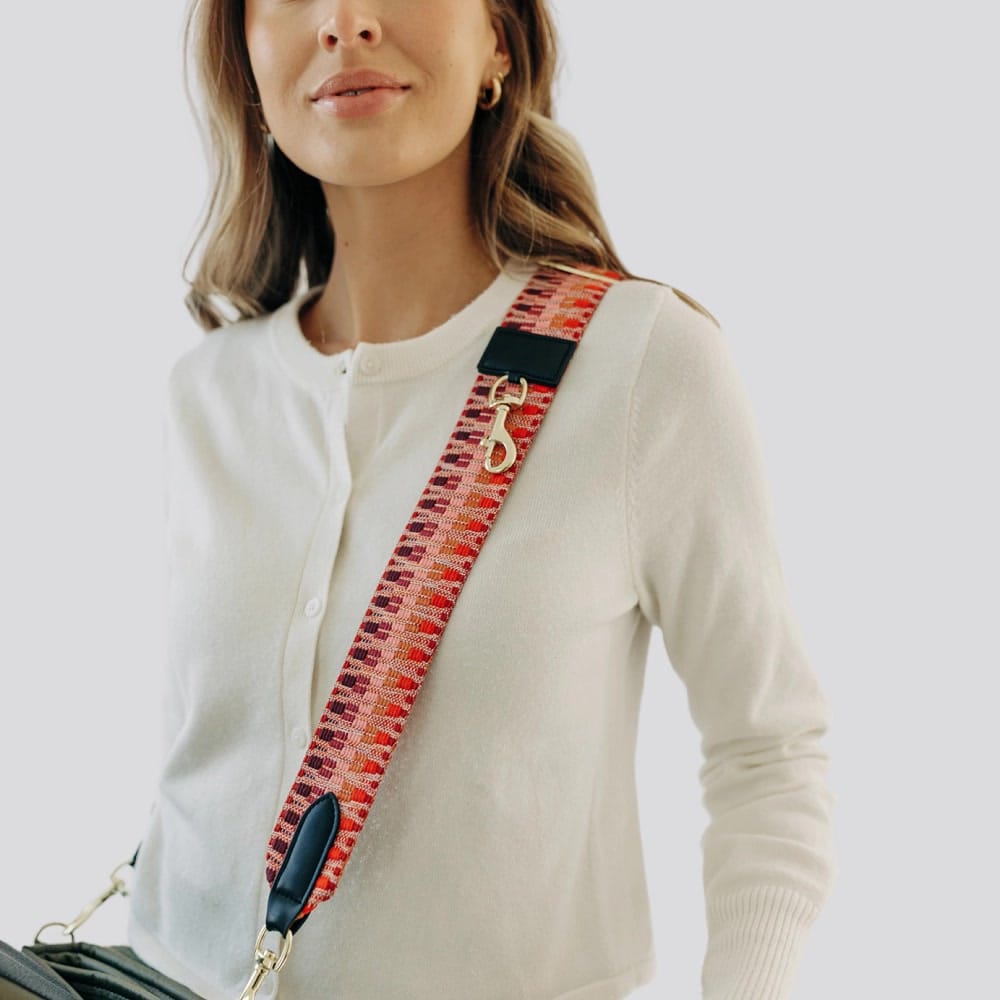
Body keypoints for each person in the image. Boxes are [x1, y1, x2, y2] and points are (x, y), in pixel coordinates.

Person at [124, 1, 837, 998]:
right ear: (244, 56)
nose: (345, 21)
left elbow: (769, 749)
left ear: (499, 38)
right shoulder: (208, 392)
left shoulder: (641, 364)